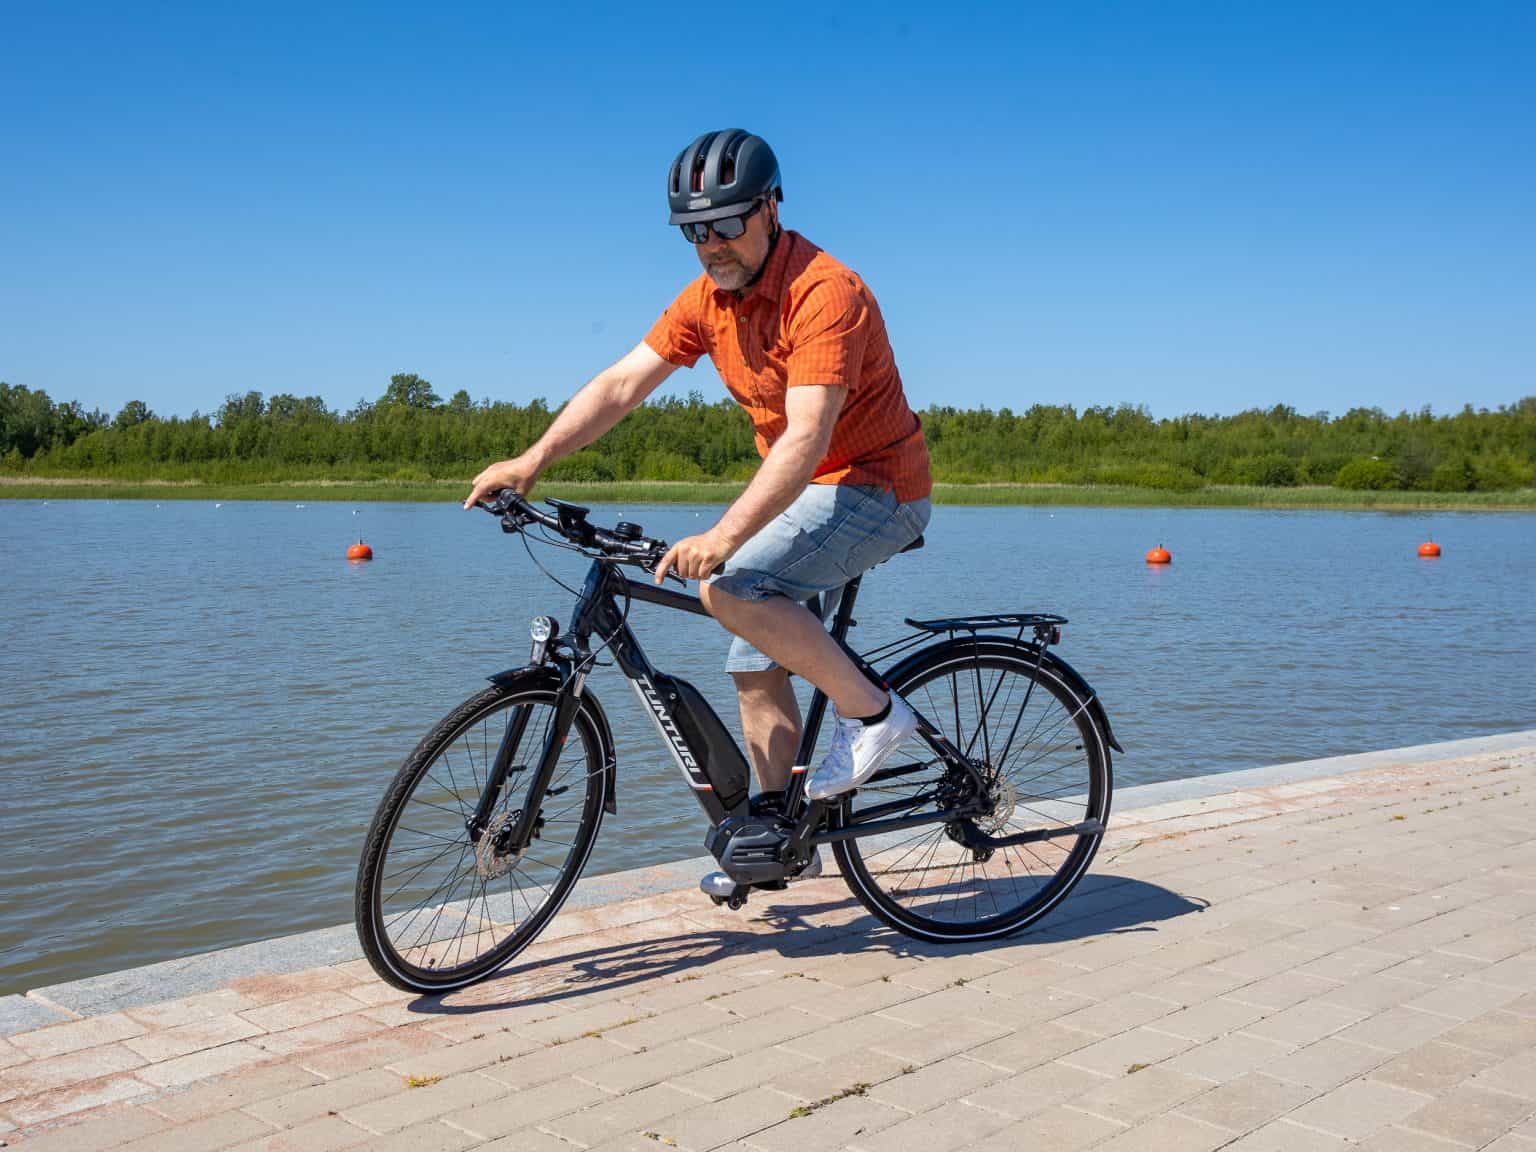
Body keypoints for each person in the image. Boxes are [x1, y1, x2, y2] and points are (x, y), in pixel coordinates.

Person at [465, 129, 932, 883]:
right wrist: (532, 460)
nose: (711, 243)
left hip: (879, 487)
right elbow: (622, 385)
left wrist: (723, 535)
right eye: (694, 231)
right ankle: (780, 841)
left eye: (726, 223)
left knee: (732, 586)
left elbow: (808, 438)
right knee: (752, 658)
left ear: (771, 208)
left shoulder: (825, 292)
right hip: (811, 490)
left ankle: (874, 715)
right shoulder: (707, 299)